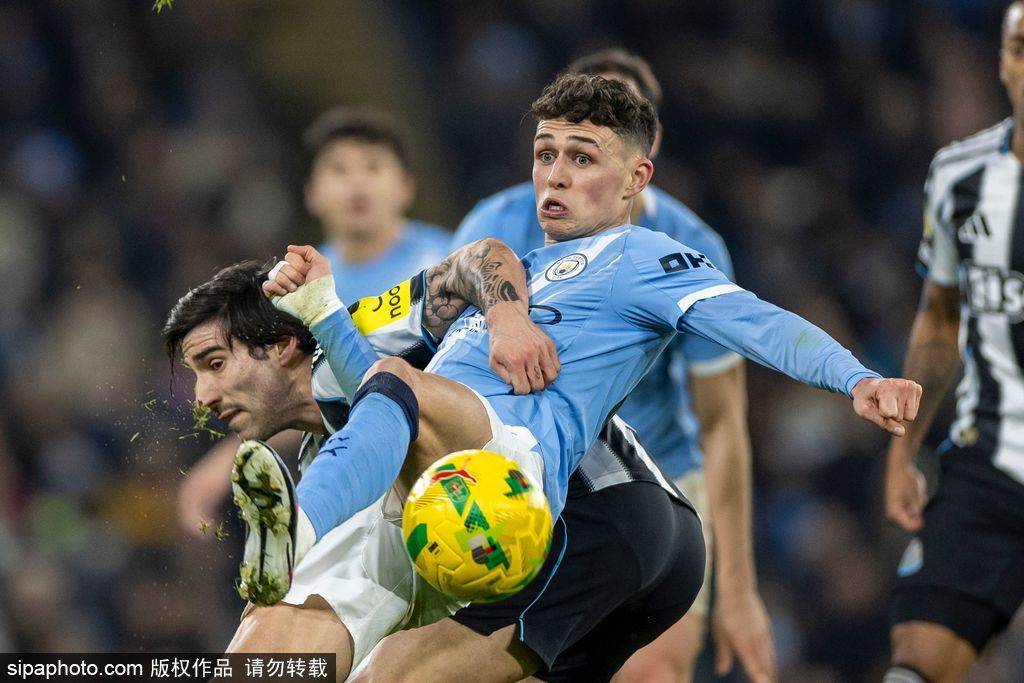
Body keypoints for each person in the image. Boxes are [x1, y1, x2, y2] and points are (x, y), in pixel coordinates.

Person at [242, 73, 920, 677]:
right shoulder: (513, 272)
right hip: (416, 487)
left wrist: (857, 378)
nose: (556, 175)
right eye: (546, 155)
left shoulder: (640, 258)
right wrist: (324, 310)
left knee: (398, 383)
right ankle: (299, 537)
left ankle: (297, 523)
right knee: (291, 656)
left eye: (582, 158)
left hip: (507, 471)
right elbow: (370, 396)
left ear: (636, 179)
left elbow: (754, 321)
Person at [165, 246, 703, 681]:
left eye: (215, 364)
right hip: (625, 542)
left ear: (282, 346)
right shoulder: (329, 456)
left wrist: (507, 319)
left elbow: (486, 255)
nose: (202, 396)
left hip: (593, 515)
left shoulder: (363, 332)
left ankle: (300, 528)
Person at [452, 48, 772, 683]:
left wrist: (738, 589)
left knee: (651, 674)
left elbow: (721, 424)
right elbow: (449, 361)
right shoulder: (494, 226)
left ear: (646, 149)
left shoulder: (691, 250)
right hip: (528, 471)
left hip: (660, 482)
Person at [177, 106, 450, 536]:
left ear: (405, 187)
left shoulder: (444, 263)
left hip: (444, 453)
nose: (357, 184)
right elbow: (301, 391)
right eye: (339, 170)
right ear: (312, 192)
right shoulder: (297, 285)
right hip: (364, 479)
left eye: (373, 167)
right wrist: (225, 460)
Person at [884, 4, 1024, 681]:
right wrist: (903, 448)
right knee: (914, 662)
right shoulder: (958, 176)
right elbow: (940, 323)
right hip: (990, 463)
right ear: (1003, 62)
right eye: (1019, 47)